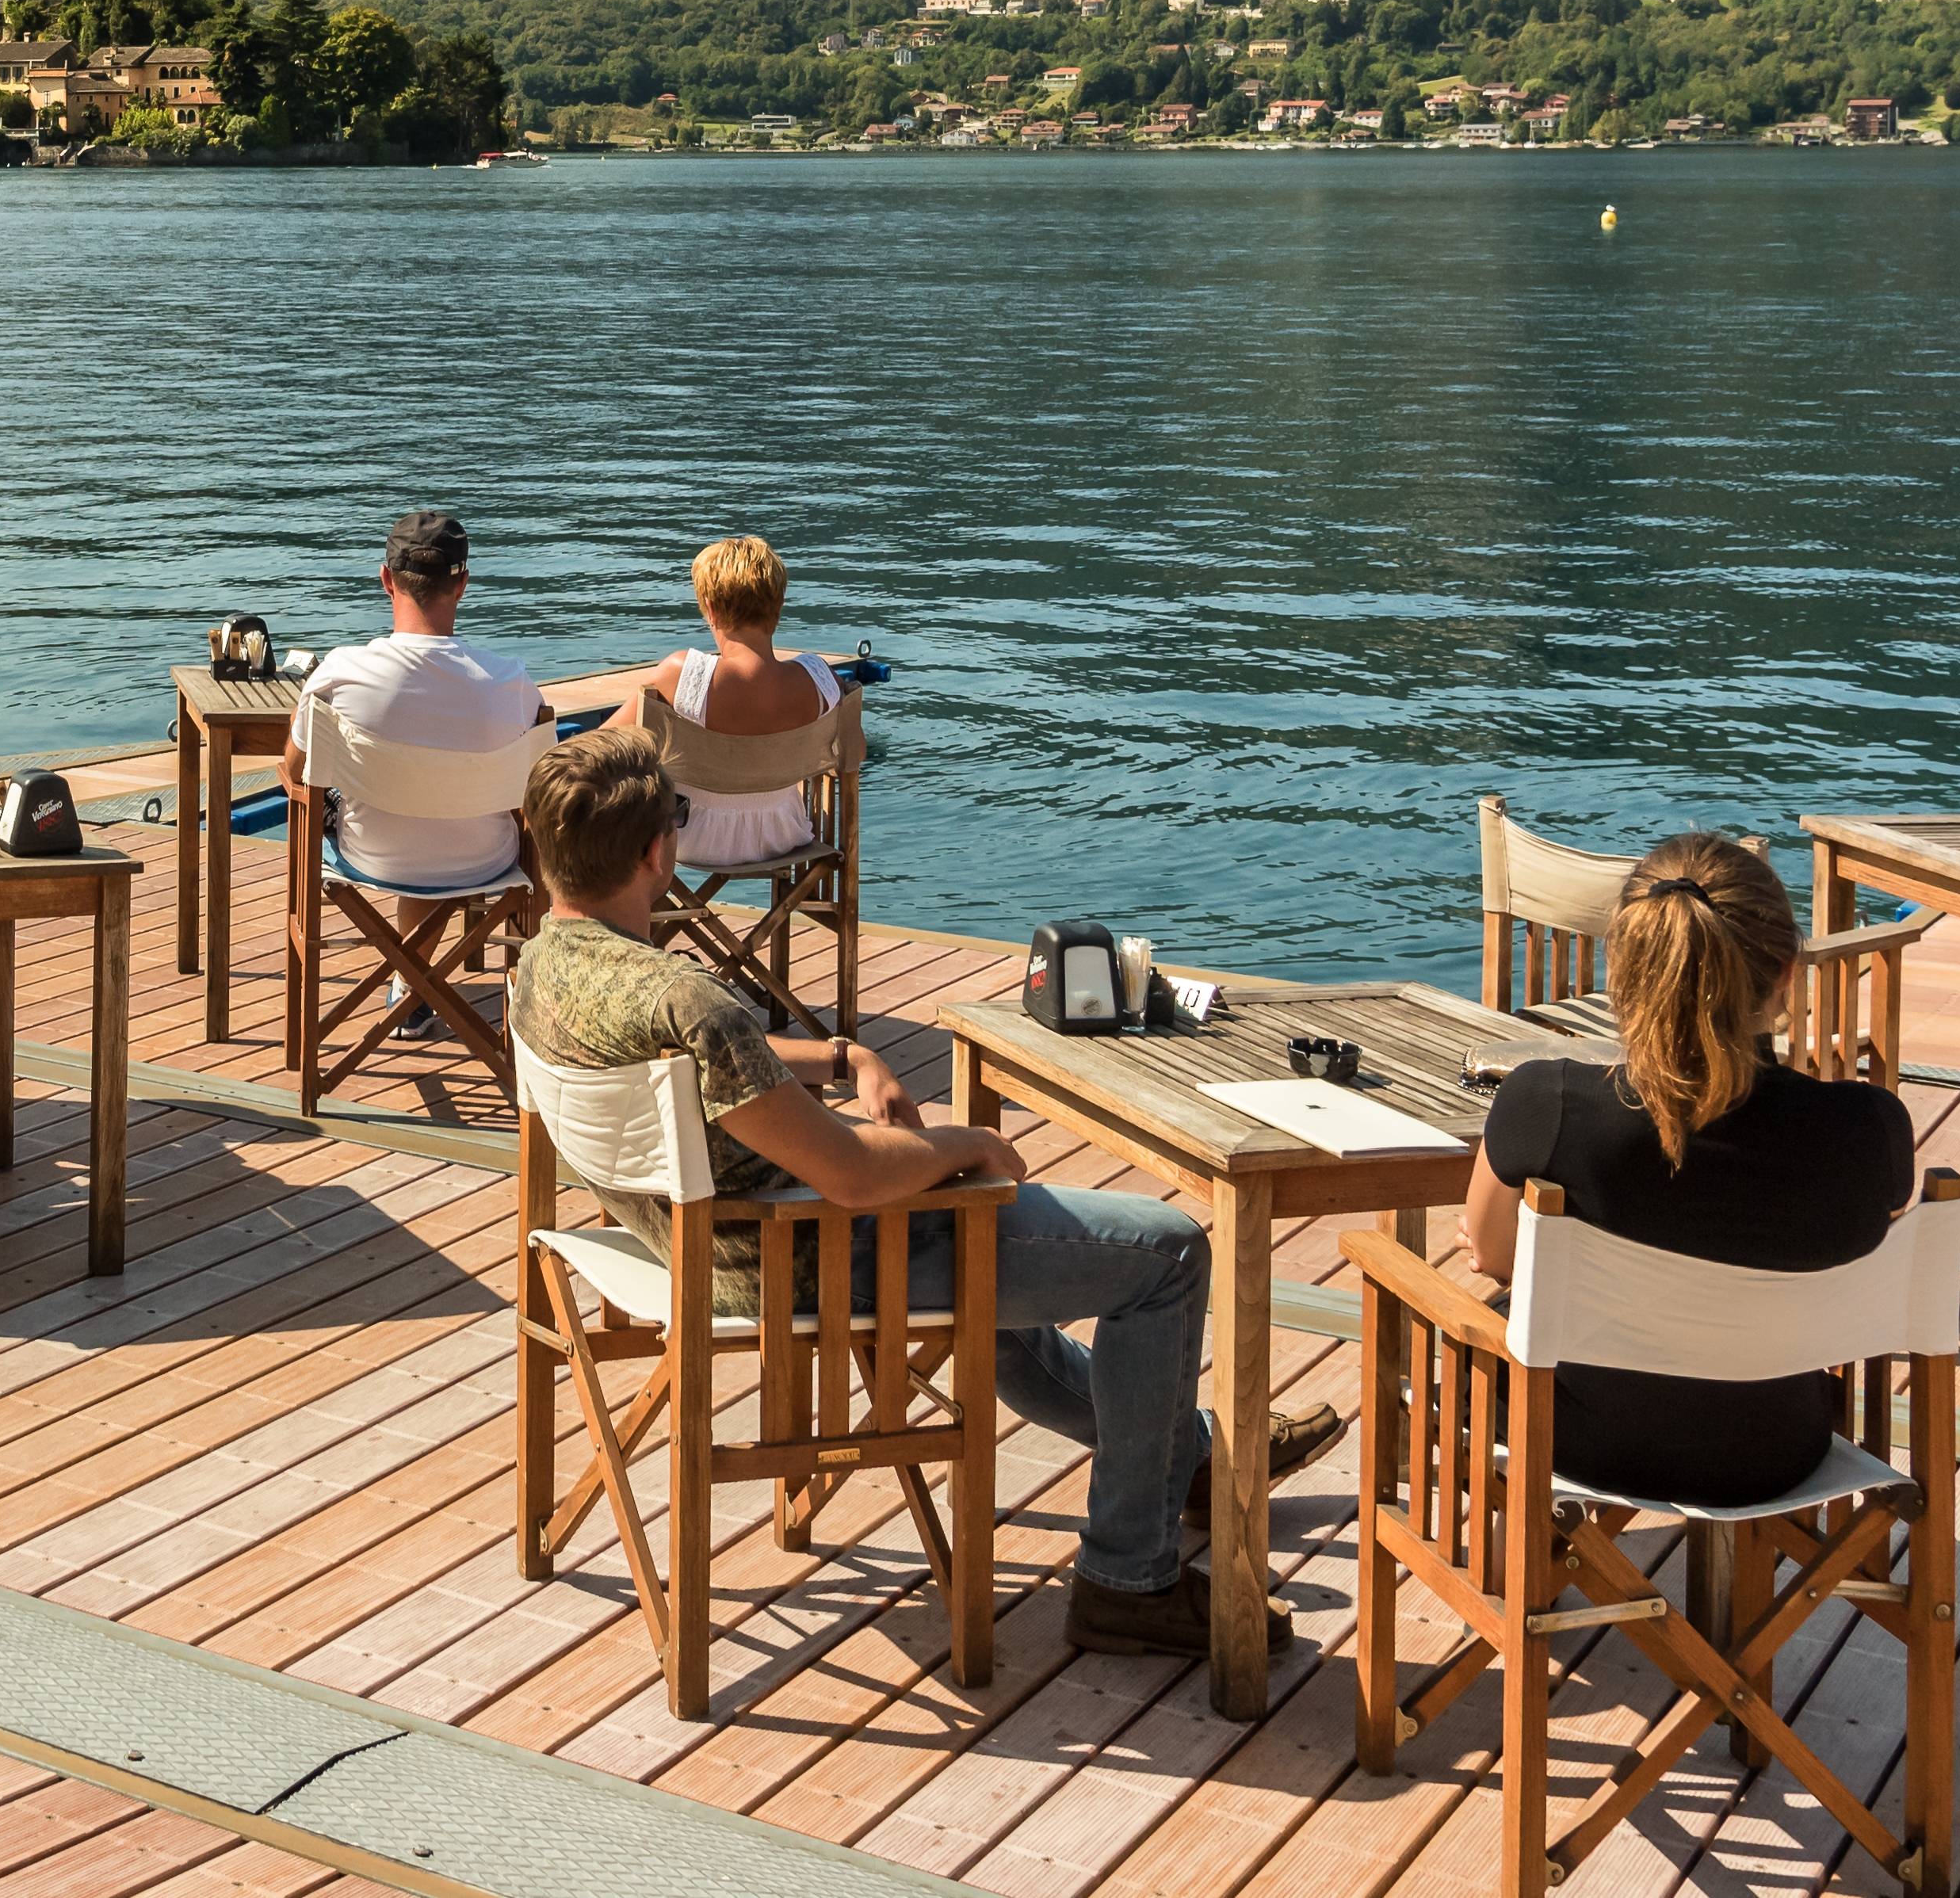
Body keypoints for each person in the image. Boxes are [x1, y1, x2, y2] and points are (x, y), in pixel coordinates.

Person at [505, 732, 1337, 1671]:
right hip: (801, 1257)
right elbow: (853, 1176)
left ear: (543, 844)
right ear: (658, 854)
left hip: (672, 1241)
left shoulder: (539, 966)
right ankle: (1127, 1577)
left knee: (999, 1275)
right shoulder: (685, 1000)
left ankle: (1177, 1457)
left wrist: (841, 1055)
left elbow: (711, 1074)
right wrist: (963, 1144)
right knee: (1168, 1251)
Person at [1465, 831, 1918, 1510]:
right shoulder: (1870, 1128)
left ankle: (1523, 1585)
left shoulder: (1546, 1103)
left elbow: (1492, 1256)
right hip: (1779, 1451)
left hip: (1585, 1442)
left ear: (1626, 970)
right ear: (1787, 975)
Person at [288, 510, 550, 1041]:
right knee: (459, 814)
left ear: (387, 580)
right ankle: (422, 987)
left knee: (368, 805)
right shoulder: (512, 684)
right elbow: (544, 778)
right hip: (485, 858)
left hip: (373, 854)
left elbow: (294, 773)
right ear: (463, 584)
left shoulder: (339, 673)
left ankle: (411, 985)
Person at [625, 533, 839, 871]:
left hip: (690, 838)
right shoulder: (820, 679)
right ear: (779, 605)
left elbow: (597, 748)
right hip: (786, 834)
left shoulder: (683, 675)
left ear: (710, 609)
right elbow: (854, 752)